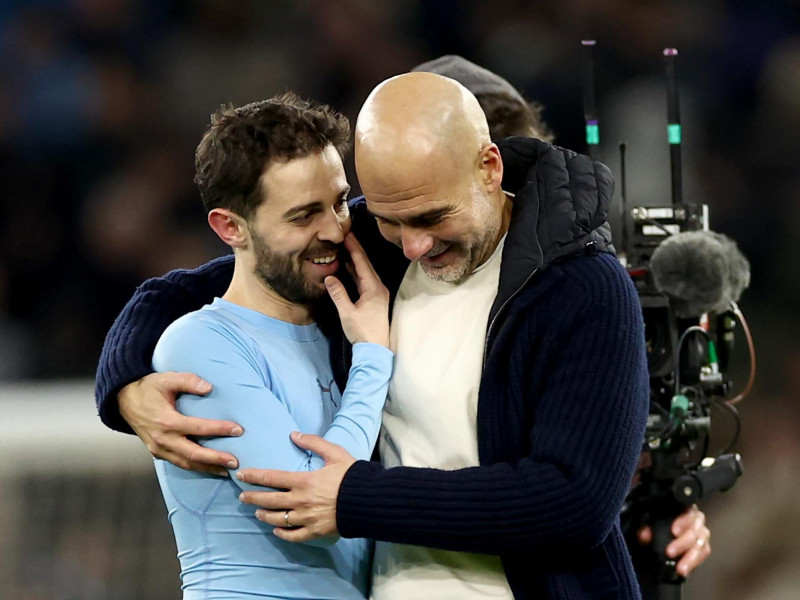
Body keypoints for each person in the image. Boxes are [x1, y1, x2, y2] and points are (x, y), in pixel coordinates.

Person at [94, 59, 707, 595]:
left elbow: (573, 501)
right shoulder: (373, 247)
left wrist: (357, 498)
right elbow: (197, 286)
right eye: (390, 218)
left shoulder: (583, 289)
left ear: (489, 167)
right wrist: (125, 388)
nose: (414, 244)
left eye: (432, 216)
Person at [147, 93, 394, 598]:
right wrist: (373, 355)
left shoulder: (337, 325)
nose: (333, 229)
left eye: (339, 201)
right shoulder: (200, 343)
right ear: (230, 227)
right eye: (303, 216)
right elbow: (305, 502)